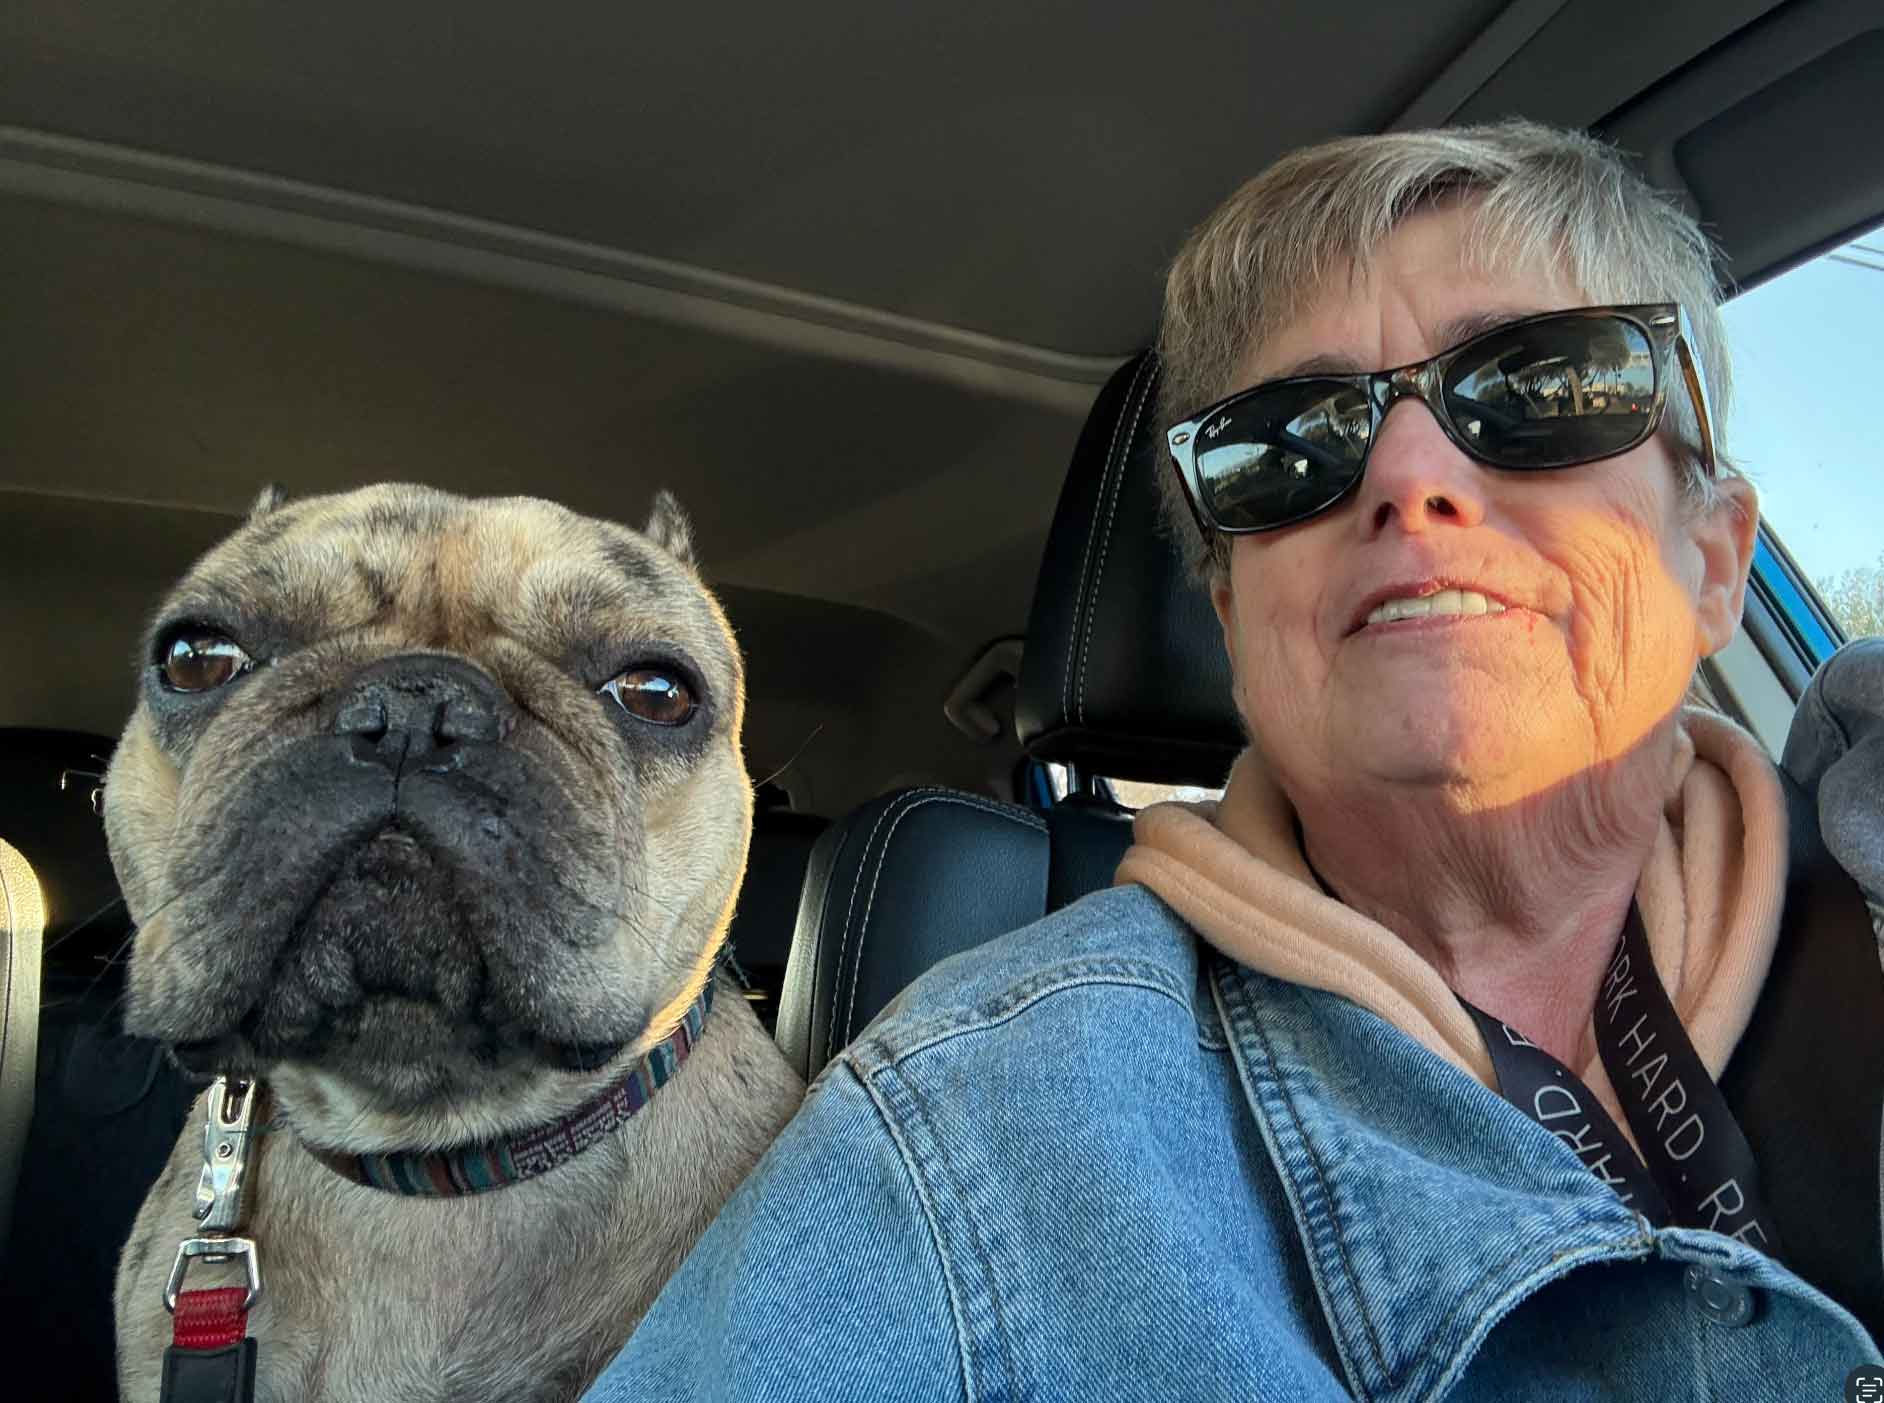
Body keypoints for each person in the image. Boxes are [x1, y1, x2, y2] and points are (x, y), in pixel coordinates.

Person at [581, 121, 1881, 1400]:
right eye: (1291, 444)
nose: (1410, 477)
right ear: (1235, 624)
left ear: (1713, 557)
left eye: (1540, 388)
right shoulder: (971, 1136)